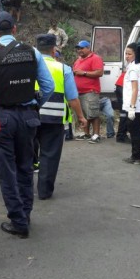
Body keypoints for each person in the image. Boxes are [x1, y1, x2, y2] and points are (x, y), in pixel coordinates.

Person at [0, 11, 54, 238]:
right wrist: (34, 105)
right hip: (28, 118)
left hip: (1, 119)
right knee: (25, 167)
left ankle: (18, 220)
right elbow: (49, 86)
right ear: (14, 30)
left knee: (6, 172)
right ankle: (25, 214)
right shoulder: (32, 52)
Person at [34, 34, 87, 200]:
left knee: (26, 153)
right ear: (53, 49)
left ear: (36, 48)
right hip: (54, 119)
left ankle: (22, 188)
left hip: (30, 115)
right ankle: (44, 191)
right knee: (50, 155)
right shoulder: (63, 69)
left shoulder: (29, 66)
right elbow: (72, 97)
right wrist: (81, 117)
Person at [72, 40, 104, 144]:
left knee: (93, 113)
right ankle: (86, 134)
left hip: (90, 91)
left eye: (82, 48)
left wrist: (84, 73)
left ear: (88, 48)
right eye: (78, 48)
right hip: (79, 92)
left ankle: (96, 135)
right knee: (84, 114)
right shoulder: (78, 60)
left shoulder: (95, 58)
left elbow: (99, 72)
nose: (79, 50)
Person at [121, 43, 140, 164]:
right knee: (137, 130)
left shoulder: (133, 68)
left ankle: (136, 157)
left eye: (129, 54)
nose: (127, 56)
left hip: (133, 105)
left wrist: (131, 107)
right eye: (126, 53)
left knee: (134, 131)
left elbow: (134, 89)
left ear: (136, 54)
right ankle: (139, 155)